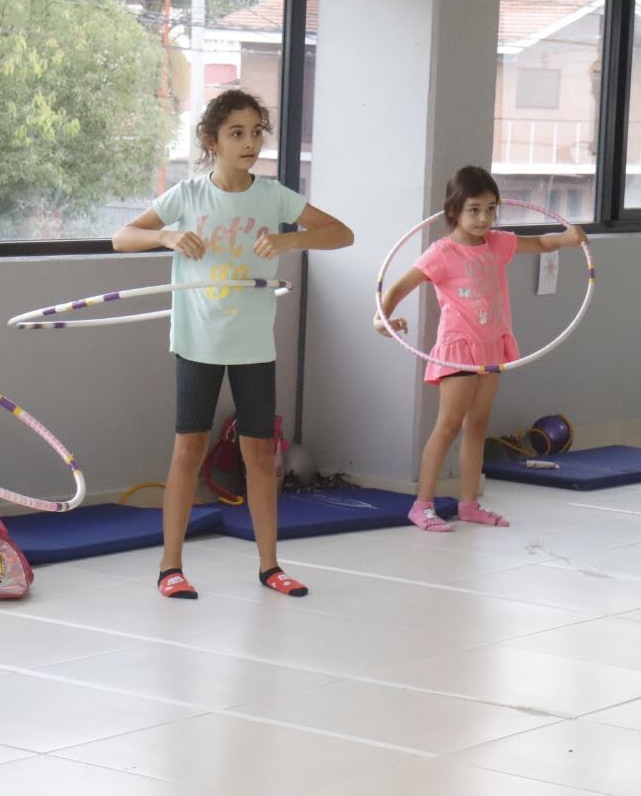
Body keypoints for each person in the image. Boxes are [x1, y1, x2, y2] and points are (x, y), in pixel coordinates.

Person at [113, 89, 354, 599]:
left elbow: (342, 234)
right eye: (236, 133)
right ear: (211, 140)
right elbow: (122, 236)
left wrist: (291, 240)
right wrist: (166, 238)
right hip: (199, 341)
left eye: (255, 133)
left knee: (260, 455)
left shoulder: (274, 197)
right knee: (188, 450)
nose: (249, 143)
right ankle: (170, 567)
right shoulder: (190, 196)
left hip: (253, 347)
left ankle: (270, 566)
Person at [375, 166, 585, 531]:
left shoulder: (498, 243)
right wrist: (382, 319)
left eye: (491, 209)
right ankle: (422, 504)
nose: (484, 218)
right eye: (474, 209)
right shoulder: (442, 253)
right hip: (459, 348)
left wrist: (568, 238)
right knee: (449, 424)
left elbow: (539, 244)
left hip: (492, 345)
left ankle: (469, 502)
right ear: (454, 210)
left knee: (478, 425)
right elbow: (398, 287)